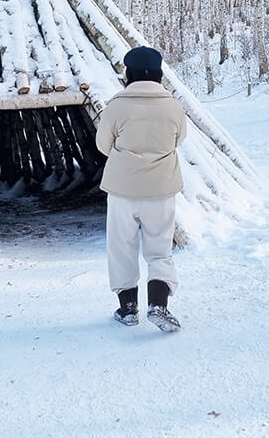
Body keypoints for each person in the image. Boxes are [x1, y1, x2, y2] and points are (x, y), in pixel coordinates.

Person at [95, 46, 187, 332]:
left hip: (122, 190)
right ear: (159, 74)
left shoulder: (117, 106)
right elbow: (178, 139)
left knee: (121, 247)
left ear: (129, 74)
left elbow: (102, 145)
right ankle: (158, 304)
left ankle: (128, 308)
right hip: (161, 189)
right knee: (160, 249)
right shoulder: (173, 106)